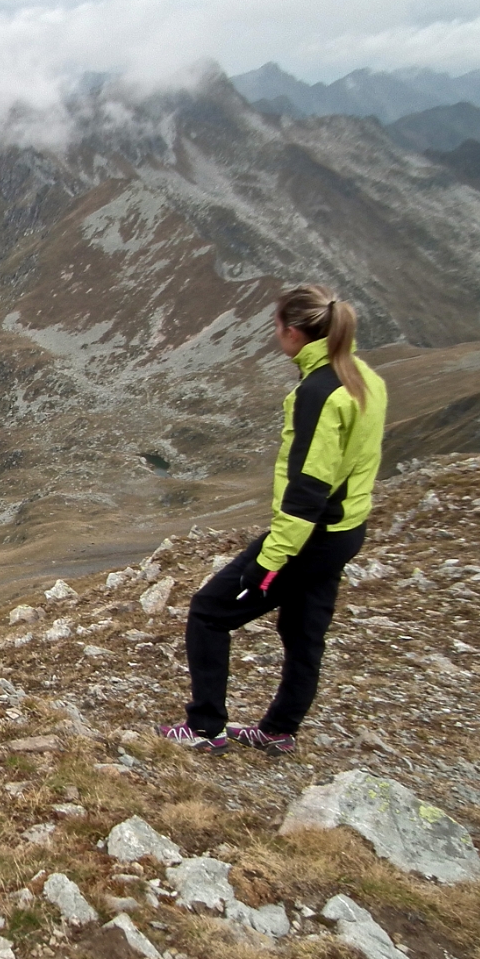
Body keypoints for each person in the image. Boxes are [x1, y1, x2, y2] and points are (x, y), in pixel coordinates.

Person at [158, 284, 388, 755]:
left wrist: (268, 561)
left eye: (277, 328)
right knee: (303, 629)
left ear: (295, 333)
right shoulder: (365, 377)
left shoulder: (319, 393)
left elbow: (307, 489)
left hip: (311, 535)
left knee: (208, 611)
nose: (276, 336)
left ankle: (205, 729)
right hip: (346, 530)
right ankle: (280, 729)